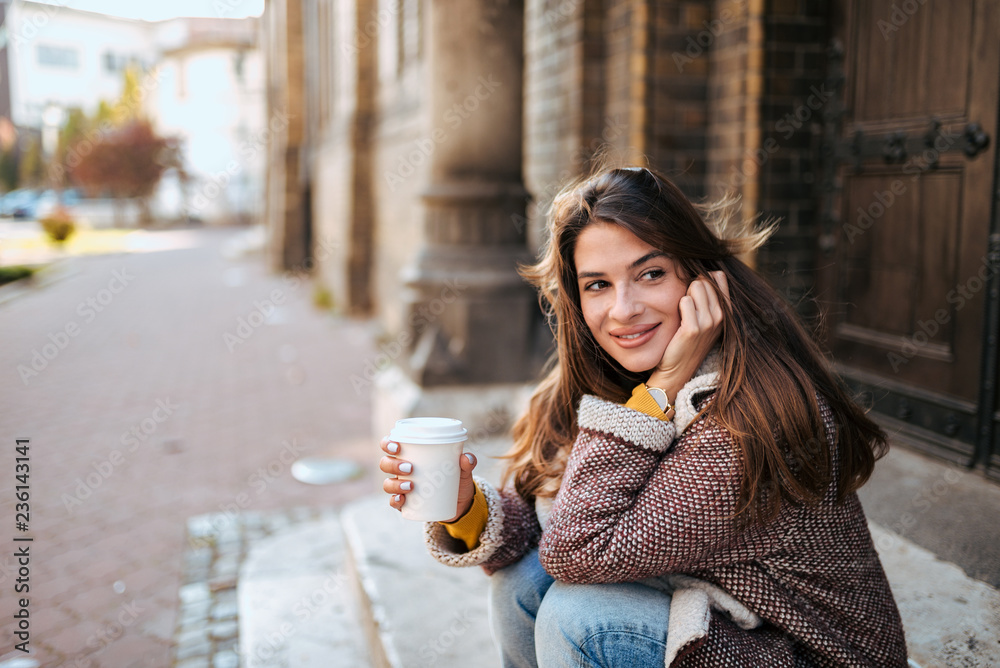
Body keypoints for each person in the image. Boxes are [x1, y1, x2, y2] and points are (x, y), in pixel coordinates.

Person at [379, 165, 908, 667]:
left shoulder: (745, 419)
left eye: (650, 273)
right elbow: (540, 535)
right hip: (727, 623)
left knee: (580, 619)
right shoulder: (609, 380)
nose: (624, 310)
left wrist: (660, 391)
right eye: (598, 285)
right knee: (524, 583)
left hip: (803, 654)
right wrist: (462, 505)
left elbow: (577, 548)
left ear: (699, 279)